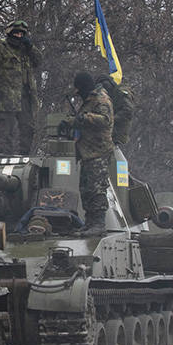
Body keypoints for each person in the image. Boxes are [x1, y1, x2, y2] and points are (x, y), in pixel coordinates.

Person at [0, 20, 42, 155]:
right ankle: (3, 161)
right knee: (6, 132)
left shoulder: (26, 50)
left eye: (22, 33)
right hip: (5, 97)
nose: (19, 36)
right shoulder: (0, 48)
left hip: (25, 97)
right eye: (16, 33)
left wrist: (30, 47)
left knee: (28, 128)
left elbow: (38, 60)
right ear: (10, 33)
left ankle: (24, 158)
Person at [71, 72, 114, 234]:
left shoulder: (101, 99)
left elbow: (105, 120)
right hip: (87, 151)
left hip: (99, 151)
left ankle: (98, 224)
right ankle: (90, 222)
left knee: (97, 188)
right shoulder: (89, 100)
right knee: (86, 188)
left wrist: (84, 118)